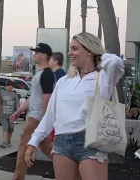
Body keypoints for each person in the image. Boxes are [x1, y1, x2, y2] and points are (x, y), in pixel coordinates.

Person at [24, 32, 124, 180]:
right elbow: (50, 116)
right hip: (61, 144)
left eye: (75, 49)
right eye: (70, 49)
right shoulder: (64, 81)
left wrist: (99, 57)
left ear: (89, 50)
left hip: (90, 143)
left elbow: (116, 62)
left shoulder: (102, 79)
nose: (70, 53)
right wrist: (33, 141)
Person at [10, 43, 56, 180]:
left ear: (44, 55)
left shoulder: (47, 74)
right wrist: (19, 111)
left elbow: (47, 99)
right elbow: (33, 97)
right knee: (50, 150)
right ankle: (71, 167)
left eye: (37, 52)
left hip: (36, 119)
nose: (34, 55)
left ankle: (18, 178)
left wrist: (43, 121)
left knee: (23, 148)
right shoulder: (40, 73)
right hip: (36, 118)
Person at [49, 52, 67, 142]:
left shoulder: (58, 76)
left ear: (55, 61)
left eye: (50, 59)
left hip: (57, 112)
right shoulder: (64, 74)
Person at [0, 80, 20, 148]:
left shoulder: (15, 95)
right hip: (3, 115)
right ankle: (4, 142)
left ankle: (8, 141)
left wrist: (18, 112)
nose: (8, 87)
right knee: (5, 128)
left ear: (12, 87)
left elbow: (17, 105)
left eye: (9, 86)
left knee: (10, 129)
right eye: (7, 86)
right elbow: (0, 103)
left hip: (12, 115)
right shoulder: (2, 94)